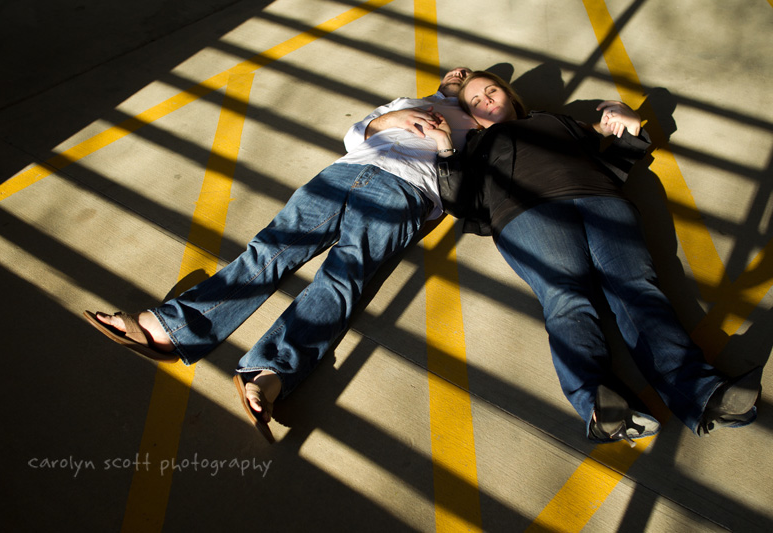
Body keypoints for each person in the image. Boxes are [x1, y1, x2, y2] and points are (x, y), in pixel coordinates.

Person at [84, 68, 479, 443]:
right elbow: (357, 133)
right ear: (446, 81)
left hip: (403, 192)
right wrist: (393, 120)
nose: (468, 83)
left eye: (485, 89)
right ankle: (171, 330)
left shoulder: (482, 132)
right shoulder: (409, 101)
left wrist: (449, 144)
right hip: (343, 173)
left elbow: (461, 192)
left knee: (341, 280)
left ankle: (270, 373)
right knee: (270, 250)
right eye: (460, 75)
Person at [426, 70, 762, 444]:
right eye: (476, 101)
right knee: (566, 299)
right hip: (526, 214)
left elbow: (612, 165)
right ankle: (602, 408)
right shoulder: (474, 144)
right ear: (472, 117)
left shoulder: (555, 121)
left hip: (602, 198)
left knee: (639, 290)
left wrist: (631, 131)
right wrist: (444, 146)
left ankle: (704, 393)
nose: (487, 99)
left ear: (510, 95)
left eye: (492, 90)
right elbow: (460, 202)